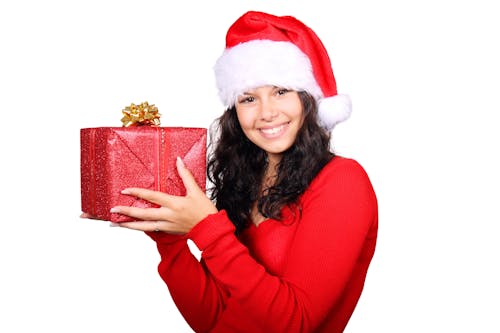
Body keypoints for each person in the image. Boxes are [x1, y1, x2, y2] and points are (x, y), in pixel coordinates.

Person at [90, 11, 378, 333]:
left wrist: (208, 229)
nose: (267, 113)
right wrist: (170, 242)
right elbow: (213, 320)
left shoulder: (343, 180)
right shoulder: (245, 184)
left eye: (281, 91)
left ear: (308, 99)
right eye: (249, 98)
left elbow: (295, 324)